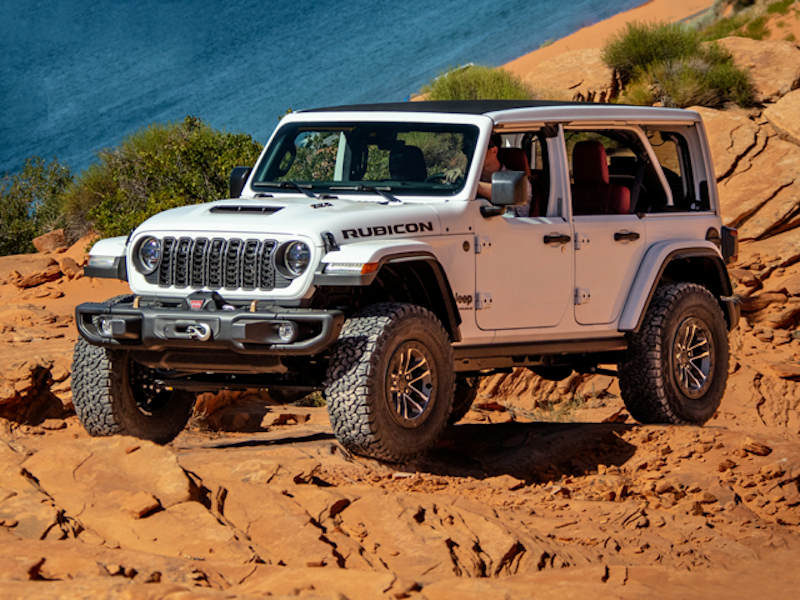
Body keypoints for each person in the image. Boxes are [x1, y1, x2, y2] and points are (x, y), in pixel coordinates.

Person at [477, 134, 532, 217]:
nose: (471, 154)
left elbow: (520, 216)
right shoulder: (470, 179)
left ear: (494, 150)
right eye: (466, 149)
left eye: (478, 149)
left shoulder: (518, 181)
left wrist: (474, 186)